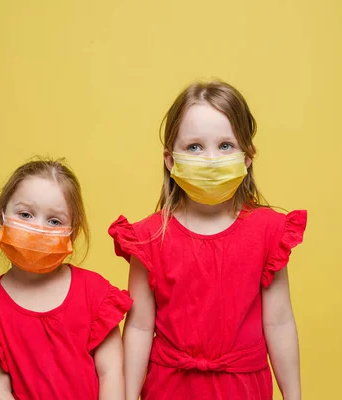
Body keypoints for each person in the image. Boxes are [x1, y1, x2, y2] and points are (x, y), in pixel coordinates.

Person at [109, 81, 307, 400]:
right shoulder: (148, 238)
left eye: (225, 145)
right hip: (168, 389)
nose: (211, 160)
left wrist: (293, 397)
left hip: (243, 389)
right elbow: (140, 327)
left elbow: (280, 321)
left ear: (247, 157)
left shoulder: (270, 232)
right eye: (195, 147)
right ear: (171, 160)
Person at [0, 159, 132, 400]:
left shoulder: (94, 293)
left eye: (54, 221)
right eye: (25, 214)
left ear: (71, 234)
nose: (38, 229)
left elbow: (111, 373)